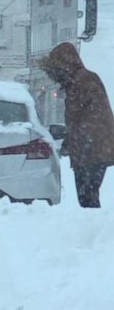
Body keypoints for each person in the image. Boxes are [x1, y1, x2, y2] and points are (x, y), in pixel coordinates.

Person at [40, 42, 114, 208]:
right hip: (91, 148)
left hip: (92, 149)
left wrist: (76, 138)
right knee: (88, 194)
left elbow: (92, 117)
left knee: (87, 195)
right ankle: (92, 226)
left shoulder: (83, 81)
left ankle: (92, 228)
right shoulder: (78, 81)